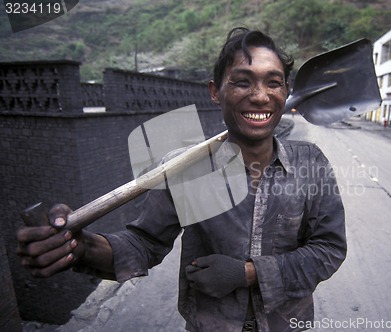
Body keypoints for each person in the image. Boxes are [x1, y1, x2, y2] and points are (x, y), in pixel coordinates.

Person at [16, 27, 347, 332]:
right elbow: (143, 243)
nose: (260, 96)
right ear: (215, 92)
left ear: (286, 92)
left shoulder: (311, 162)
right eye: (242, 81)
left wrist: (247, 274)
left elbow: (329, 249)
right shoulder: (186, 170)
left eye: (273, 82)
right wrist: (80, 247)